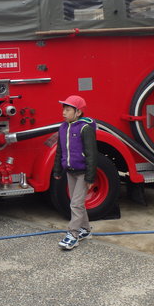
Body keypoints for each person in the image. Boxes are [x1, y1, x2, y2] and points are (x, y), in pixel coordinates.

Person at [52, 95, 98, 250]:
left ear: (78, 112)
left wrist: (90, 177)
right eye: (63, 109)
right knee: (77, 203)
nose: (64, 112)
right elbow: (59, 151)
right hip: (70, 171)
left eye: (68, 110)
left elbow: (91, 154)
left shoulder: (85, 128)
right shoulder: (63, 127)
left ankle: (73, 235)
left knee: (76, 204)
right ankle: (85, 229)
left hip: (83, 172)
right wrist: (58, 169)